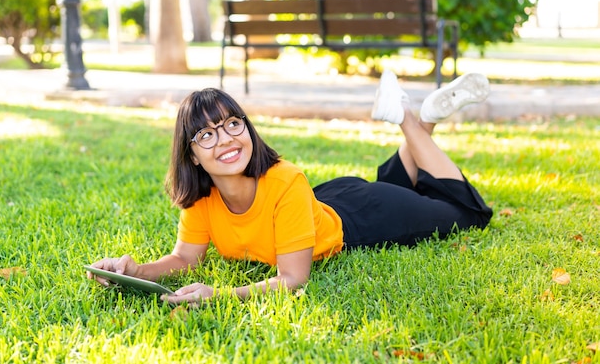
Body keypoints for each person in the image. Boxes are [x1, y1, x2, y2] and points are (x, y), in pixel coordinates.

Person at [87, 71, 493, 306]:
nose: (225, 139)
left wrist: (223, 294)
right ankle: (427, 118)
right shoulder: (202, 195)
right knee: (404, 186)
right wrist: (134, 271)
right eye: (206, 135)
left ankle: (408, 117)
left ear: (246, 126)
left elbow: (293, 278)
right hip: (318, 204)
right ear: (192, 155)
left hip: (364, 218)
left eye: (232, 124)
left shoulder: (285, 179)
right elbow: (184, 259)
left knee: (466, 215)